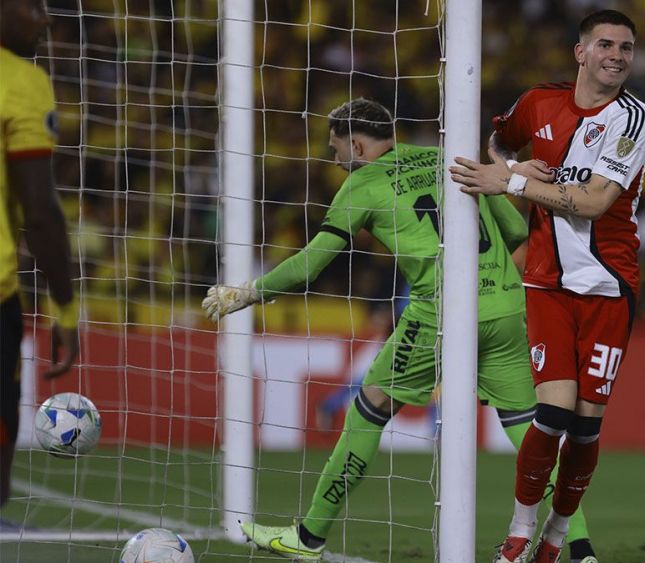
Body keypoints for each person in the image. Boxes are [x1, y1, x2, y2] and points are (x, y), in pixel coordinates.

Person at [202, 97, 597, 561]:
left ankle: (308, 538)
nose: (335, 160)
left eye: (335, 150)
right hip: (507, 310)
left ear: (356, 144)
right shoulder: (444, 158)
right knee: (535, 434)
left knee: (370, 408)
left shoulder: (363, 184)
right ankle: (580, 548)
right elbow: (517, 234)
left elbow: (311, 265)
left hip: (439, 315)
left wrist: (250, 292)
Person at [450, 9, 645, 563]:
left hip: (609, 284)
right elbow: (496, 146)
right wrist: (510, 164)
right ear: (580, 52)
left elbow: (593, 202)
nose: (617, 55)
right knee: (552, 415)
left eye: (627, 48)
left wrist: (511, 179)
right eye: (606, 44)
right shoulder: (539, 103)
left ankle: (556, 541)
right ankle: (518, 537)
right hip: (545, 281)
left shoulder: (634, 119)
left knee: (586, 428)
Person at [0, 0, 79, 526]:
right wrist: (65, 306)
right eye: (31, 5)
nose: (45, 20)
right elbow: (41, 213)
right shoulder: (21, 81)